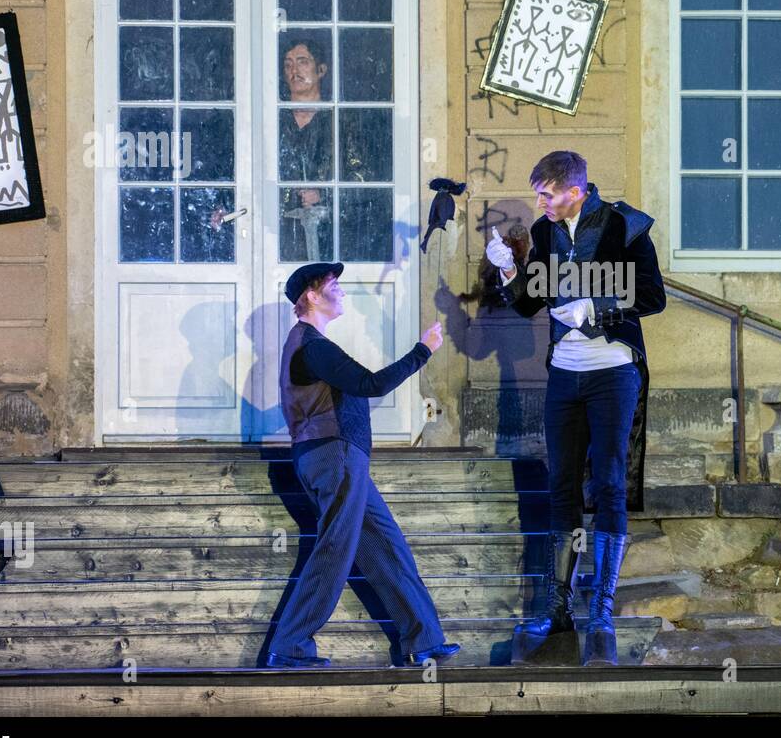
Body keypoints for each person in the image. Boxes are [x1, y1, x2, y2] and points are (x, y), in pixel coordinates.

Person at [488, 150, 665, 665]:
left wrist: (598, 306)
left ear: (575, 191)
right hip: (564, 372)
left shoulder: (625, 227)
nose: (539, 202)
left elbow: (653, 296)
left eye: (546, 193)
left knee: (607, 482)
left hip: (612, 370)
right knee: (561, 484)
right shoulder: (545, 233)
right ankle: (559, 610)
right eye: (537, 194)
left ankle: (602, 613)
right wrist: (508, 273)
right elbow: (528, 303)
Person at [268, 260, 460, 668]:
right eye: (333, 286)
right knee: (335, 549)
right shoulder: (312, 345)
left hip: (342, 457)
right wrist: (423, 350)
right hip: (333, 456)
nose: (341, 292)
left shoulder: (309, 344)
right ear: (312, 296)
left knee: (387, 546)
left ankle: (423, 638)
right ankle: (290, 646)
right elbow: (371, 384)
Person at [278, 38, 334, 261]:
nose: (294, 70)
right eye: (288, 64)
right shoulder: (275, 121)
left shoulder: (338, 120)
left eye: (302, 62)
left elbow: (361, 178)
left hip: (329, 237)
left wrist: (323, 195)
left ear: (321, 70)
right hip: (279, 238)